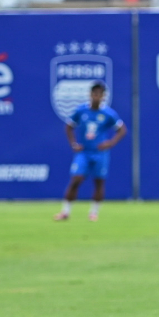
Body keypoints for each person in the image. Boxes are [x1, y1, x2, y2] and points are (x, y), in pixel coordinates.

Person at [55, 82, 125, 222]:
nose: (97, 97)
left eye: (100, 94)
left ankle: (94, 213)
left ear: (104, 96)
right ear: (90, 95)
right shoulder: (81, 111)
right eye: (94, 94)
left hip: (100, 153)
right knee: (76, 179)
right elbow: (68, 127)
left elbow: (122, 130)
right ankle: (65, 211)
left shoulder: (108, 113)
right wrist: (74, 144)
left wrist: (110, 143)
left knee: (99, 181)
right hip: (84, 152)